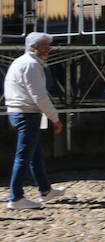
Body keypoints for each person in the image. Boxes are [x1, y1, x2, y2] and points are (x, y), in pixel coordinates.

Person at [4, 32, 65, 210]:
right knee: (23, 157)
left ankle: (45, 190)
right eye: (45, 44)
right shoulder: (31, 64)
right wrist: (55, 118)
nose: (49, 48)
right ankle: (16, 198)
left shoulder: (23, 62)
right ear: (34, 47)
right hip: (27, 114)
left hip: (21, 112)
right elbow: (39, 95)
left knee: (35, 155)